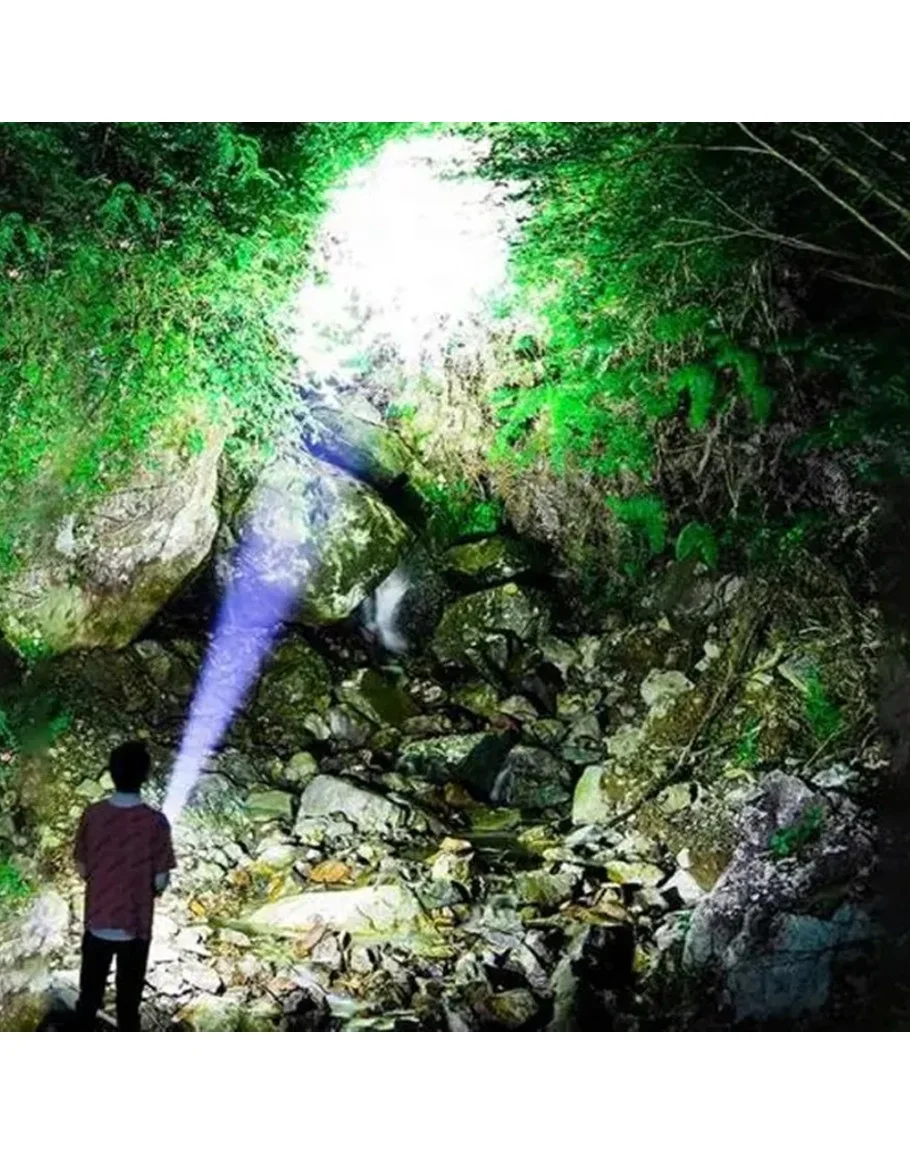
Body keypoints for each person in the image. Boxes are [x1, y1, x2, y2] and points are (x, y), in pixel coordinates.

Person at [73, 741, 176, 1032]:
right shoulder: (156, 822)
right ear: (145, 776)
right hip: (135, 927)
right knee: (128, 1006)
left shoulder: (92, 815)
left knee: (88, 998)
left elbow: (82, 868)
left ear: (111, 773)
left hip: (97, 924)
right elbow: (160, 880)